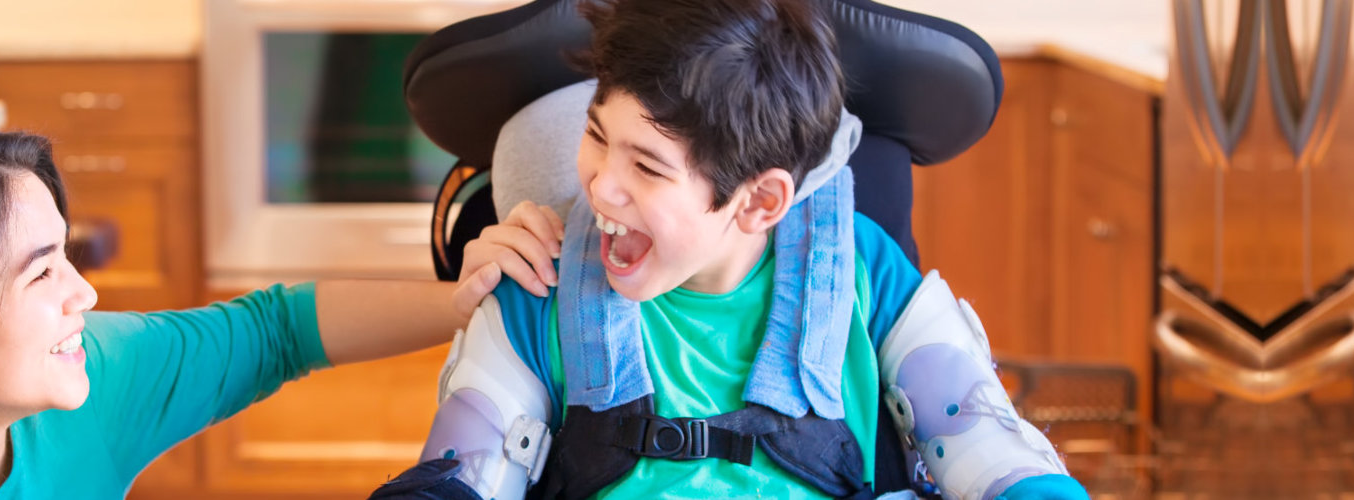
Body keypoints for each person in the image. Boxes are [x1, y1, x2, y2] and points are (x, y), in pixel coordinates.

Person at [375, 0, 1089, 498]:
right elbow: (458, 475)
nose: (600, 190)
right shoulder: (546, 277)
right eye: (596, 137)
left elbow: (992, 452)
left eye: (648, 168)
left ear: (760, 201)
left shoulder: (862, 275)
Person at [0, 119, 519, 499]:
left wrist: (468, 302)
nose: (83, 295)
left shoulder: (98, 376)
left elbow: (280, 330)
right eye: (40, 273)